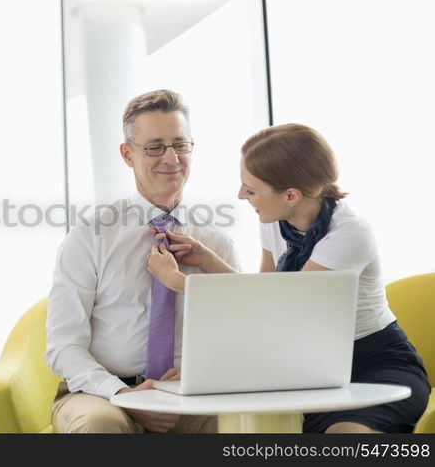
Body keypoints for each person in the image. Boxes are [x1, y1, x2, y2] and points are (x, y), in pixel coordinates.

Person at [147, 123, 430, 433]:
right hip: (313, 370)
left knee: (344, 435)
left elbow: (280, 314)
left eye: (251, 190)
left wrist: (178, 282)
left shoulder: (349, 236)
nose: (241, 195)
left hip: (375, 365)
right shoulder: (274, 219)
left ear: (292, 195)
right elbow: (266, 295)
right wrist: (206, 259)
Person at [45, 90, 241, 433]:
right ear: (127, 154)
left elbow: (240, 335)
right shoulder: (92, 234)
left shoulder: (215, 242)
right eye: (155, 147)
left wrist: (205, 373)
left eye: (180, 145)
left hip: (187, 395)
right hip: (103, 393)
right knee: (98, 427)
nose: (172, 158)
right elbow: (63, 346)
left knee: (248, 425)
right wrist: (122, 393)